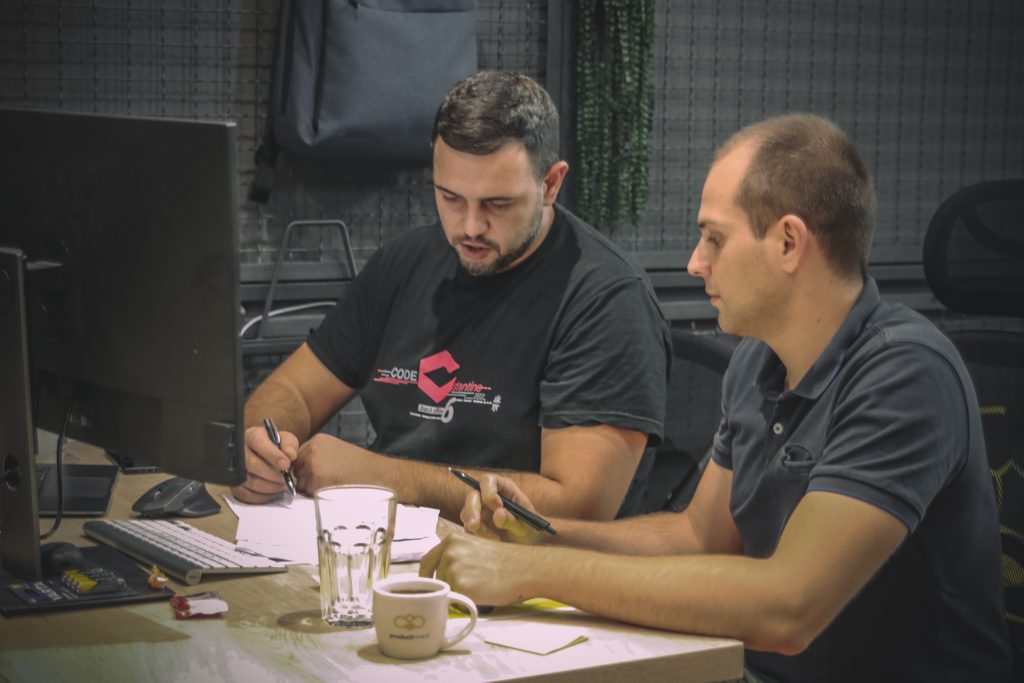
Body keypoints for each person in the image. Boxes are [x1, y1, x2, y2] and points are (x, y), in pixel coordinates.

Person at [421, 114, 1013, 681]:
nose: (695, 262)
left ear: (788, 243)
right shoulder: (761, 357)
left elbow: (787, 609)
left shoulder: (905, 374)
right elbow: (698, 538)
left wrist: (526, 571)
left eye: (714, 239)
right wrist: (543, 532)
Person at [232, 70, 671, 522]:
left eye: (497, 204)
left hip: (525, 573)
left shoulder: (607, 300)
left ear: (551, 184)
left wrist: (383, 479)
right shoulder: (405, 263)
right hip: (388, 547)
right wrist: (262, 443)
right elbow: (292, 392)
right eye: (450, 197)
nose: (470, 227)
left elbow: (577, 506)